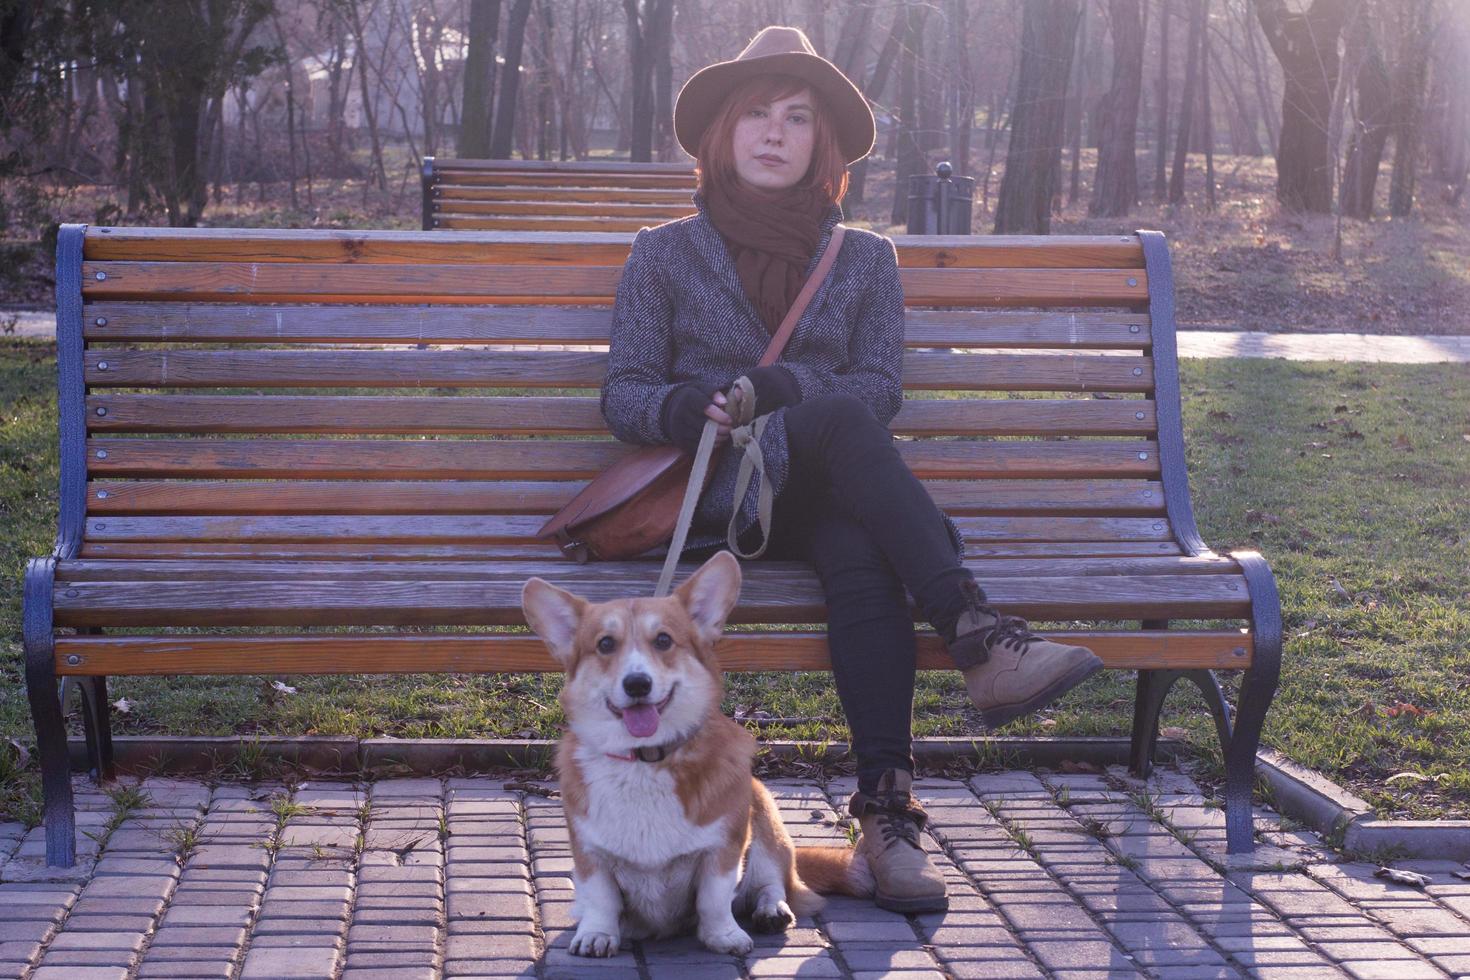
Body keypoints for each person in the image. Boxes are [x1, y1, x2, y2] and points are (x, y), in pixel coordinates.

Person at [600, 25, 1103, 914]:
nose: (774, 132)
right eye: (755, 113)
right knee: (834, 423)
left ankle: (884, 812)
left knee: (858, 546)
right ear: (722, 132)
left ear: (821, 144)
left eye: (797, 118)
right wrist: (686, 407)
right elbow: (625, 393)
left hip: (832, 491)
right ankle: (976, 633)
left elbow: (880, 390)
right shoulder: (663, 252)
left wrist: (785, 385)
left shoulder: (864, 258)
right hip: (723, 502)